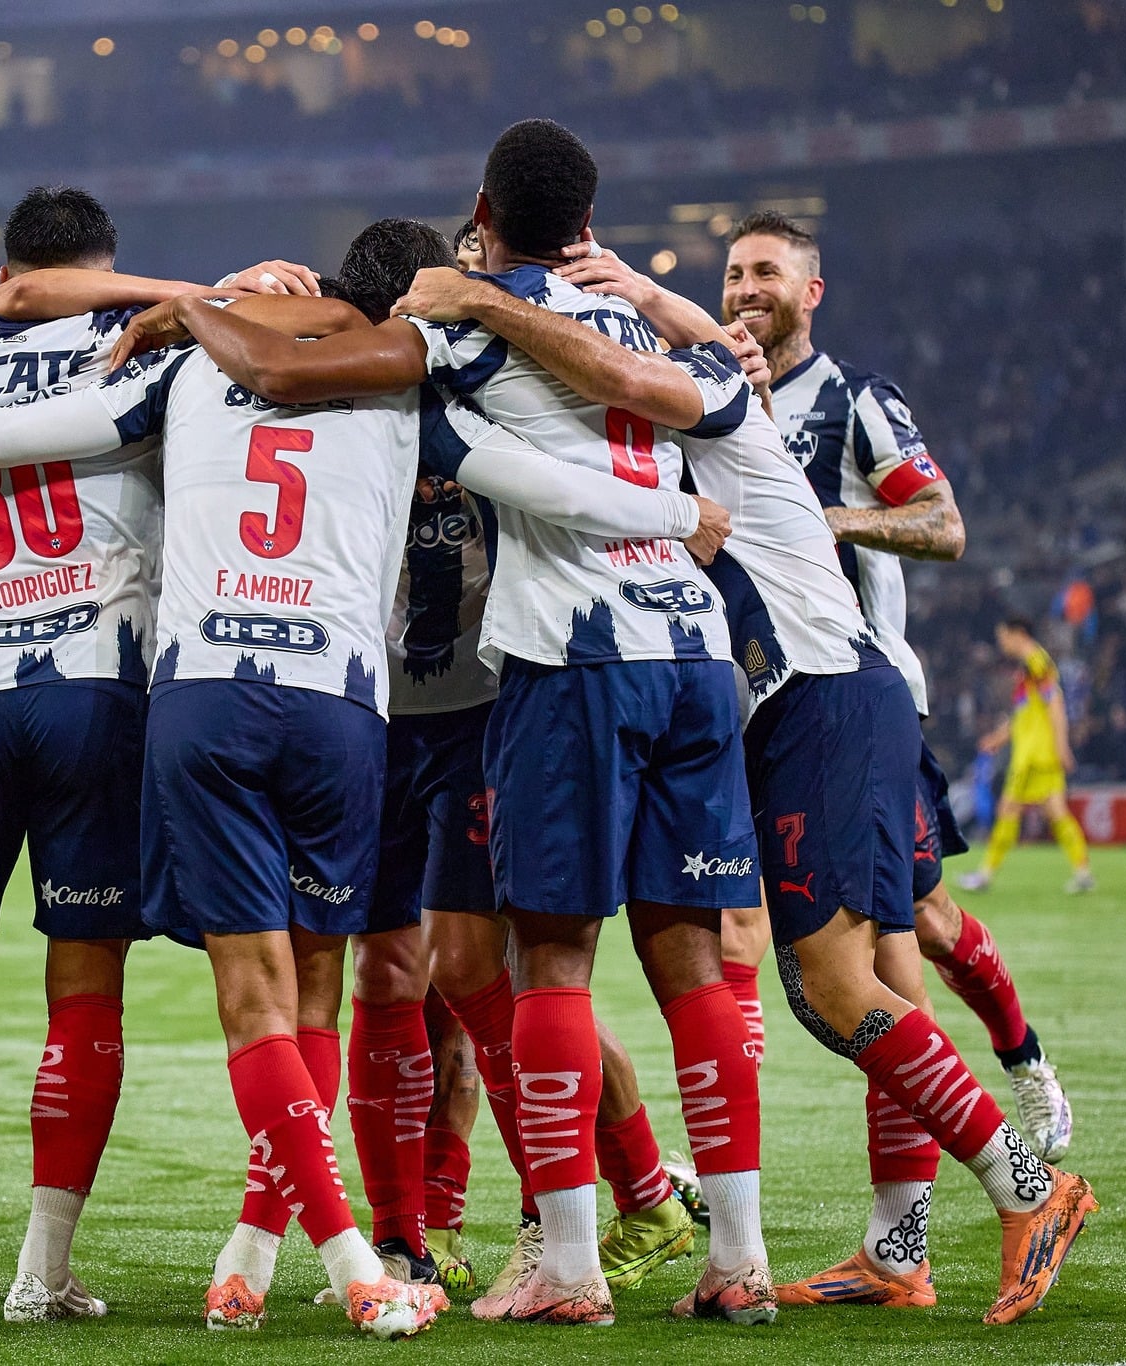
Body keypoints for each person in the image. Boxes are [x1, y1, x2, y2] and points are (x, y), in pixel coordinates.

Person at [109, 121, 770, 1329]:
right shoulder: (517, 345)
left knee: (475, 972)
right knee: (389, 979)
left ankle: (580, 1206)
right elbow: (710, 394)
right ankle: (410, 1231)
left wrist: (207, 305)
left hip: (474, 698)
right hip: (388, 704)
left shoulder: (443, 355)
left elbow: (323, 384)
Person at [393, 254, 1100, 1326]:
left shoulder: (708, 404)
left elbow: (625, 370)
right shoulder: (688, 409)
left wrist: (516, 305)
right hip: (780, 711)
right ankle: (895, 1246)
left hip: (825, 692)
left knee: (847, 973)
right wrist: (629, 294)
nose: (733, 303)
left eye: (762, 275)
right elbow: (634, 371)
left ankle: (1025, 1181)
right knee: (838, 980)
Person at [0, 185, 317, 1328]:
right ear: (107, 264)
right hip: (98, 690)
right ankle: (41, 1269)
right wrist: (195, 292)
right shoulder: (143, 340)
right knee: (84, 984)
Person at [618, 211, 1074, 1179]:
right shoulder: (707, 395)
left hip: (856, 693)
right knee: (745, 920)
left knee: (916, 932)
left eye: (766, 273)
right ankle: (769, 1176)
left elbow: (943, 523)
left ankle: (1018, 1060)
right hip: (758, 702)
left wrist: (827, 516)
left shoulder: (855, 399)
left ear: (808, 291)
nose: (746, 289)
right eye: (733, 272)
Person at [962, 617, 1096, 894]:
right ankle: (1082, 872)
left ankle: (985, 875)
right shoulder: (1029, 667)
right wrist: (998, 739)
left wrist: (1062, 745)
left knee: (1009, 810)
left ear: (1018, 633)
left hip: (1035, 754)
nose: (1001, 642)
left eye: (1003, 636)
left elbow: (1055, 703)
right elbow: (1025, 713)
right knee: (1056, 812)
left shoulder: (1036, 661)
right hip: (1036, 751)